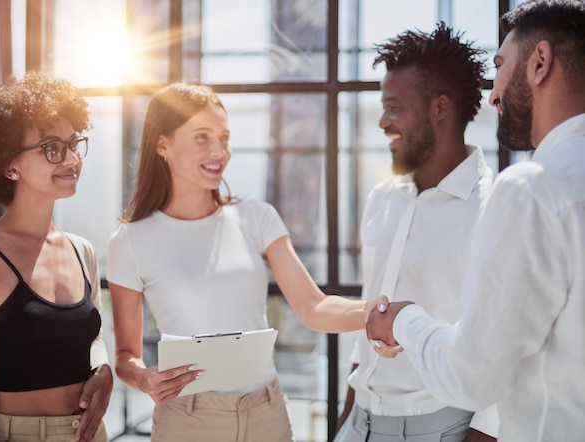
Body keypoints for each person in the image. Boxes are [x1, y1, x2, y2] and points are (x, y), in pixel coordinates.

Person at [106, 81, 378, 442]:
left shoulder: (256, 217)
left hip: (266, 411)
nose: (220, 151)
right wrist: (145, 378)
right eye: (202, 137)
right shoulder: (131, 241)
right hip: (189, 419)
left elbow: (314, 306)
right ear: (162, 144)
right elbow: (126, 355)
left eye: (224, 137)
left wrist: (377, 314)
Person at [365, 1, 585, 440]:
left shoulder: (529, 189)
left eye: (500, 65)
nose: (492, 94)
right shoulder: (383, 199)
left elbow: (474, 376)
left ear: (540, 62)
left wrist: (404, 320)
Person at [334, 23, 499, 442]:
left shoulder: (495, 207)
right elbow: (370, 315)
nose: (382, 121)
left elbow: (505, 345)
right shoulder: (382, 197)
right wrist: (347, 418)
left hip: (441, 428)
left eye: (393, 106)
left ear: (439, 108)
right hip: (359, 424)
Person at [0, 72, 113, 442]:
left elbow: (90, 338)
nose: (72, 158)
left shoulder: (82, 251)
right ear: (10, 165)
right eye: (51, 147)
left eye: (73, 143)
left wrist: (103, 369)